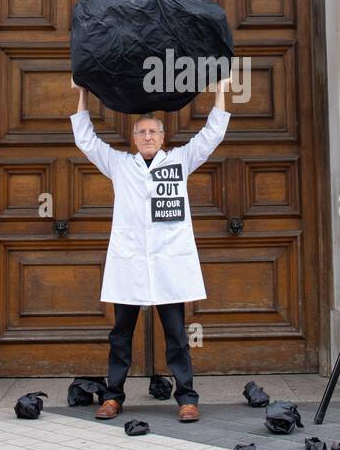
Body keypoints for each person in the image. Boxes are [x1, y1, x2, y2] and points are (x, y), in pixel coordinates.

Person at [70, 77, 231, 423]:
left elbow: (211, 136)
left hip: (168, 265)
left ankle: (186, 398)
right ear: (133, 138)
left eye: (152, 133)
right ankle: (113, 396)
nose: (146, 137)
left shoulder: (179, 162)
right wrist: (82, 93)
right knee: (120, 336)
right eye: (141, 133)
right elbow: (86, 140)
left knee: (176, 336)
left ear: (163, 138)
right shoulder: (119, 165)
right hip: (129, 263)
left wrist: (220, 90)